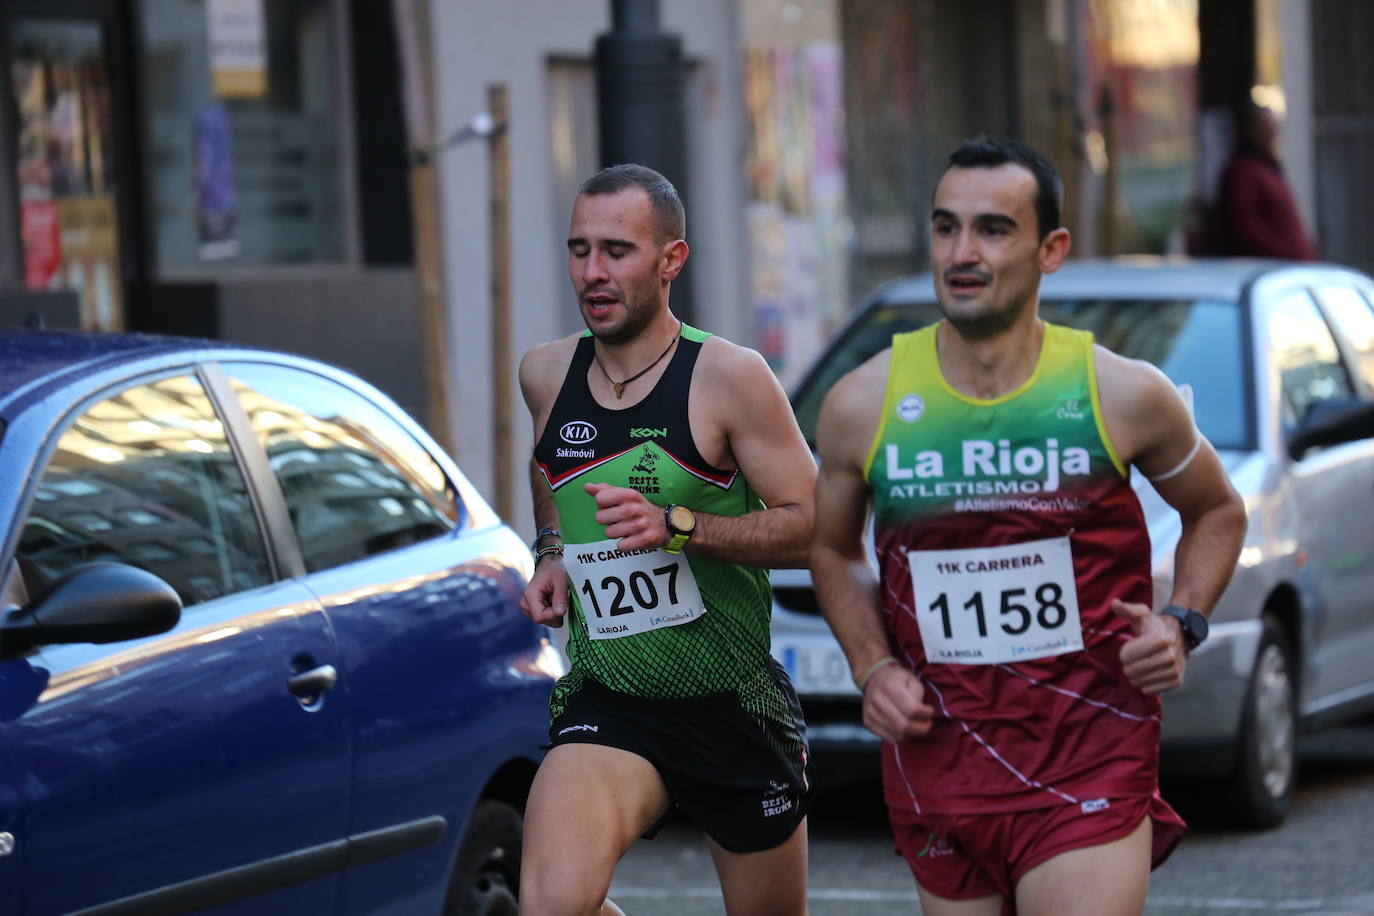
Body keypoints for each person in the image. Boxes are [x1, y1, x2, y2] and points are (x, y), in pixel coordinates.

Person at [809, 138, 1247, 916]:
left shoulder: (1123, 395)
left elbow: (1216, 510)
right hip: (940, 753)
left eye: (992, 230)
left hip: (1090, 749)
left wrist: (1182, 621)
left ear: (1052, 250)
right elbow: (834, 549)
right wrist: (871, 667)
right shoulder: (862, 404)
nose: (962, 252)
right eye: (946, 228)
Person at [517, 163, 818, 916]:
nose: (592, 271)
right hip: (610, 698)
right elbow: (547, 467)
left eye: (617, 250)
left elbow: (816, 528)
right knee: (553, 906)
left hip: (732, 704)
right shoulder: (546, 373)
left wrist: (680, 526)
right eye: (578, 249)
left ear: (671, 259)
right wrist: (550, 552)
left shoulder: (730, 378)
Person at [1216, 102, 1318, 260]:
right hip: (1276, 267)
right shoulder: (1244, 172)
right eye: (1265, 127)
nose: (1272, 133)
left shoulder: (1267, 167)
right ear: (1251, 131)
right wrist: (1285, 253)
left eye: (1272, 125)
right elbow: (1247, 229)